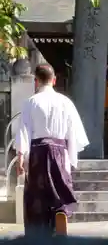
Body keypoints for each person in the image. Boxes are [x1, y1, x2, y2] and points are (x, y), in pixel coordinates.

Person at [15, 64, 89, 236]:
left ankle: (38, 234)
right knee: (60, 190)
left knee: (36, 196)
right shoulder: (65, 102)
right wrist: (71, 159)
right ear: (54, 80)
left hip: (37, 153)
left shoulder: (30, 102)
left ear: (36, 81)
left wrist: (20, 157)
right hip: (59, 151)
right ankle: (61, 213)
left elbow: (23, 131)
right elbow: (74, 133)